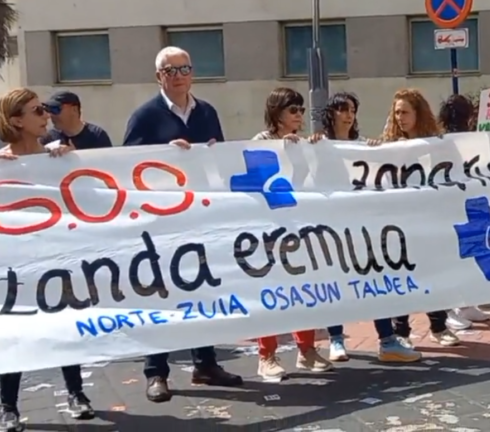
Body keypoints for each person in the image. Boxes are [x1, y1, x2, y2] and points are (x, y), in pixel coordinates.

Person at [122, 46, 242, 402]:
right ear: (158, 76)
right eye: (170, 70)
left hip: (199, 216)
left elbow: (221, 161)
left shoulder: (207, 112)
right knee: (161, 294)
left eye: (184, 68)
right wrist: (162, 155)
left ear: (193, 73)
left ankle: (205, 364)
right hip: (161, 221)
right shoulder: (144, 116)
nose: (178, 76)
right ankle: (156, 372)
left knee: (201, 289)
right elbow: (126, 165)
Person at [0, 88, 92, 431]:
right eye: (37, 111)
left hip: (55, 257)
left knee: (65, 325)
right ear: (16, 121)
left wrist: (70, 161)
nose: (46, 115)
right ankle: (8, 407)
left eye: (45, 109)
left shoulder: (56, 156)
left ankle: (76, 393)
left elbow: (87, 195)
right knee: (14, 331)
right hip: (15, 264)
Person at [307, 92, 424, 362]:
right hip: (332, 226)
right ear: (331, 113)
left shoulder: (362, 146)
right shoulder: (318, 145)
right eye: (343, 109)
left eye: (352, 110)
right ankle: (336, 339)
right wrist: (304, 146)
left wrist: (377, 151)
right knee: (335, 281)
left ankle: (387, 340)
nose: (348, 115)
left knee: (374, 279)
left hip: (363, 226)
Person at [248, 87, 332, 379]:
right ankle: (266, 355)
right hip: (269, 227)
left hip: (297, 224)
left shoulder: (301, 142)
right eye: (293, 110)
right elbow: (258, 180)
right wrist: (282, 151)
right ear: (277, 113)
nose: (299, 115)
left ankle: (306, 350)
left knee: (303, 288)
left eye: (301, 110)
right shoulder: (261, 141)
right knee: (271, 289)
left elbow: (308, 179)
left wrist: (314, 149)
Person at [382, 89, 462, 346]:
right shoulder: (389, 147)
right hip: (399, 222)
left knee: (432, 272)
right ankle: (401, 331)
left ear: (418, 113)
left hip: (429, 221)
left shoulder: (437, 145)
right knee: (401, 275)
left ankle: (438, 326)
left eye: (405, 112)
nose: (400, 118)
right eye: (396, 113)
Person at [437, 94, 490, 323]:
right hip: (470, 203)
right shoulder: (465, 141)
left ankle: (467, 304)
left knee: (467, 255)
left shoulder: (446, 140)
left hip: (466, 204)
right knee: (480, 252)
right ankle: (463, 306)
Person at [40, 91, 113, 150]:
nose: (51, 115)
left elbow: (106, 162)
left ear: (74, 110)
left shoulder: (97, 136)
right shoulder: (49, 138)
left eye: (55, 109)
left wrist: (75, 156)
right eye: (49, 110)